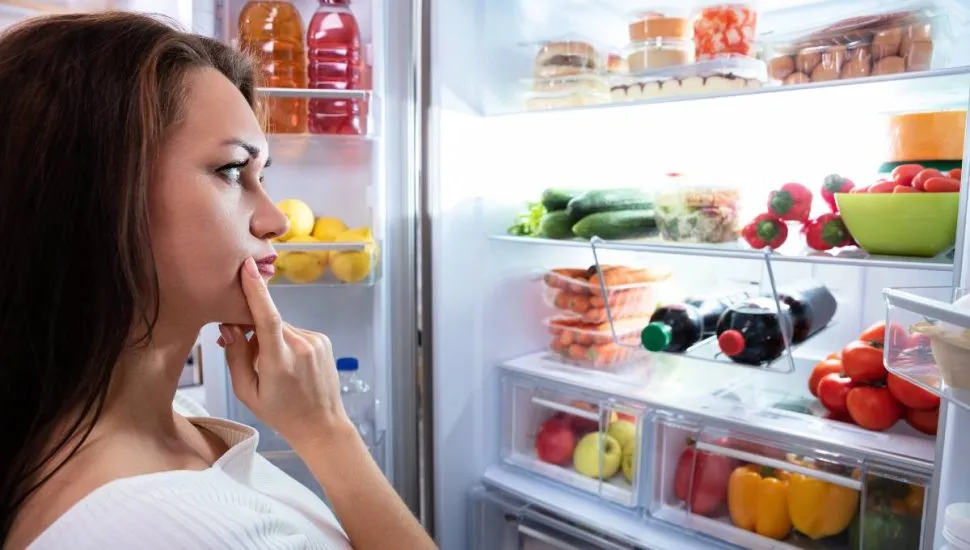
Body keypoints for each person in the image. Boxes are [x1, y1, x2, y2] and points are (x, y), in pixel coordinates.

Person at [0, 11, 436, 550]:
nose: (275, 219)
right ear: (98, 196)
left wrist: (321, 428)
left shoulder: (171, 415)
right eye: (232, 171)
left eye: (263, 175)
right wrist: (328, 432)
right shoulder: (168, 532)